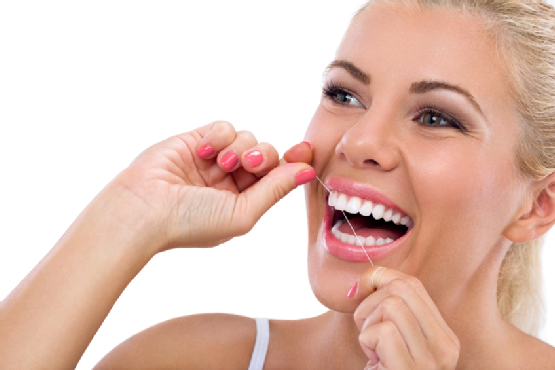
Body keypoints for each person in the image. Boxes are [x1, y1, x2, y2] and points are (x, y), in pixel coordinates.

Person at [2, 0, 555, 368]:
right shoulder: (188, 359)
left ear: (537, 204)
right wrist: (126, 216)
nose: (359, 141)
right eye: (345, 95)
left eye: (436, 117)